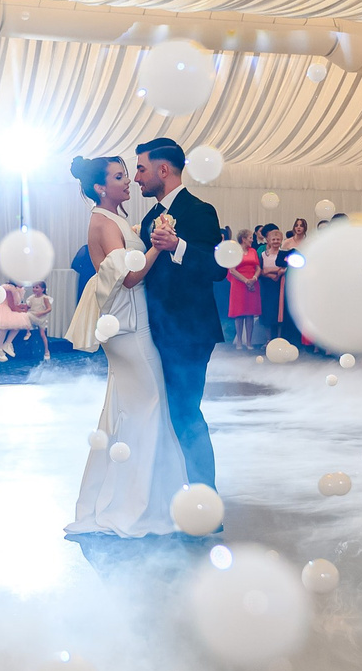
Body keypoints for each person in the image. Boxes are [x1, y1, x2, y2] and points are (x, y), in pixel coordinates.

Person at [66, 154, 188, 536]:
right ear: (100, 187)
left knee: (128, 411)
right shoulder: (103, 221)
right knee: (148, 409)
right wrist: (157, 246)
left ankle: (123, 498)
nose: (128, 182)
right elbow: (131, 276)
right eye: (119, 177)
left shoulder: (114, 219)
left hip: (127, 326)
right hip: (129, 330)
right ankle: (135, 505)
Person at [133, 137, 227, 489]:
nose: (137, 177)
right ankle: (170, 493)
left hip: (189, 332)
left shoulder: (200, 211)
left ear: (163, 169)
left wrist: (178, 246)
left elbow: (217, 269)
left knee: (186, 413)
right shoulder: (149, 220)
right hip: (156, 329)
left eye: (141, 169)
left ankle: (206, 501)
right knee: (167, 413)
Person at [226, 229, 262, 351]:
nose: (252, 240)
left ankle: (249, 341)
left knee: (250, 313)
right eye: (250, 237)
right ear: (244, 239)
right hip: (239, 284)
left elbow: (258, 267)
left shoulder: (253, 251)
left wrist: (254, 278)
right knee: (239, 313)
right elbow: (232, 270)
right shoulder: (235, 251)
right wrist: (245, 281)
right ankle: (239, 341)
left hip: (252, 283)